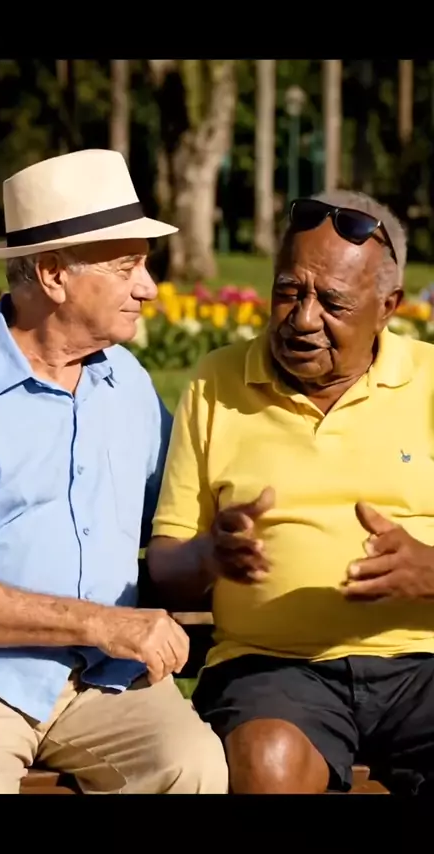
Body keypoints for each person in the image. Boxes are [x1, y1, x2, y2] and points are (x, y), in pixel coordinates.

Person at [0, 149, 228, 795]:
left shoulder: (125, 381)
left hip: (108, 682)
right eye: (127, 267)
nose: (149, 287)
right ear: (53, 274)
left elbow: (180, 504)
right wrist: (102, 623)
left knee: (192, 769)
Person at [148, 189, 434, 796]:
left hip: (423, 666)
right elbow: (168, 565)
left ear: (387, 306)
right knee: (267, 762)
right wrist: (209, 555)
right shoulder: (217, 382)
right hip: (273, 669)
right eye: (288, 291)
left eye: (333, 302)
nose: (302, 319)